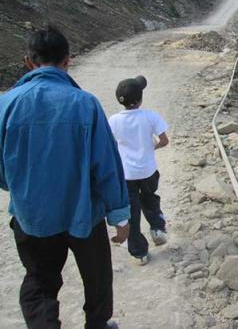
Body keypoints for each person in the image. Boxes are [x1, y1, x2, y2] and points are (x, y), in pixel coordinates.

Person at [0, 26, 130, 329]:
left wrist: (19, 187)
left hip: (32, 216)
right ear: (67, 60)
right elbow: (106, 165)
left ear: (29, 61)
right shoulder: (85, 104)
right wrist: (120, 215)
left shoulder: (5, 105)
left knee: (40, 282)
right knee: (97, 278)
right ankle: (98, 325)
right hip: (84, 213)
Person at [109, 75, 169, 265]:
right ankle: (157, 228)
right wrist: (153, 147)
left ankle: (139, 253)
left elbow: (110, 146)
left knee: (132, 213)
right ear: (140, 99)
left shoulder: (113, 121)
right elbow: (164, 140)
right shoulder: (150, 116)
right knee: (151, 199)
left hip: (126, 176)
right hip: (148, 171)